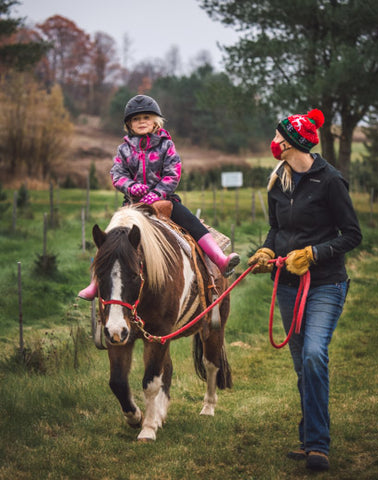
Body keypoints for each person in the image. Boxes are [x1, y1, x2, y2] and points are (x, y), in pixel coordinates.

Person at [248, 108, 362, 471]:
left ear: (294, 141)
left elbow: (352, 235)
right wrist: (268, 249)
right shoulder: (276, 182)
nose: (275, 142)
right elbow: (276, 230)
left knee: (314, 355)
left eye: (280, 136)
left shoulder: (330, 181)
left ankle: (318, 445)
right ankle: (310, 438)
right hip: (287, 286)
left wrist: (314, 254)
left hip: (326, 284)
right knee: (303, 367)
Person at [78, 95, 240, 300]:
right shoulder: (124, 149)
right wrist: (132, 187)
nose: (142, 121)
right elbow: (117, 175)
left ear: (156, 121)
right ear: (129, 124)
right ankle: (95, 283)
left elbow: (173, 173)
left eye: (146, 117)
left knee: (190, 221)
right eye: (136, 119)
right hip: (132, 205)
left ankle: (219, 259)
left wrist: (156, 193)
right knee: (111, 239)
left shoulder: (166, 145)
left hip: (165, 201)